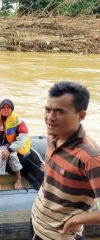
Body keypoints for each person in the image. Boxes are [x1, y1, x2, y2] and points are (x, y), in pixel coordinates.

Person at [30, 81, 100, 240]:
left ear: (80, 116)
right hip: (36, 224)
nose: (50, 117)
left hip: (60, 236)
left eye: (60, 112)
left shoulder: (91, 157)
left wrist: (78, 220)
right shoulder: (52, 137)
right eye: (48, 109)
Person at [0, 99, 31, 190]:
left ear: (12, 109)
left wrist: (10, 149)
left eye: (8, 108)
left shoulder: (18, 120)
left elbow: (22, 137)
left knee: (12, 156)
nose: (6, 110)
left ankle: (18, 178)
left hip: (12, 144)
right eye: (3, 107)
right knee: (3, 155)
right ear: (0, 109)